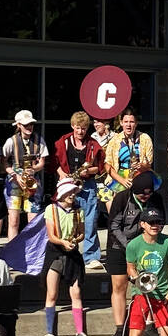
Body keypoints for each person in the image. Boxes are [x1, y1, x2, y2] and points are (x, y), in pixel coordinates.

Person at [103, 171, 159, 336]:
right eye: (142, 194)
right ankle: (120, 328)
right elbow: (114, 225)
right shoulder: (122, 198)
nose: (146, 197)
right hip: (119, 246)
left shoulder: (155, 199)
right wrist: (130, 246)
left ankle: (148, 325)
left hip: (145, 247)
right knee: (119, 286)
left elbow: (158, 222)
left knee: (147, 285)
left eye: (149, 193)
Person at [40, 180, 93, 336]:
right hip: (55, 253)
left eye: (74, 192)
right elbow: (51, 235)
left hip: (72, 255)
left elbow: (81, 233)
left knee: (76, 292)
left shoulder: (78, 211)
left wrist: (74, 240)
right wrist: (63, 242)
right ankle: (49, 332)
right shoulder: (51, 209)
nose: (72, 195)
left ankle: (80, 332)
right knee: (52, 293)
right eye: (69, 192)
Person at [54, 111, 106, 262]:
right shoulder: (63, 142)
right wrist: (62, 174)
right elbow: (55, 163)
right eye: (77, 128)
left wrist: (87, 171)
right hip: (68, 184)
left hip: (88, 185)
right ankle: (68, 252)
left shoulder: (92, 144)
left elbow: (99, 168)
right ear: (72, 126)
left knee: (90, 221)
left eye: (83, 128)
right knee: (68, 219)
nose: (80, 131)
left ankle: (90, 257)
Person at [3, 110, 48, 233]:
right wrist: (14, 174)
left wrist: (33, 169)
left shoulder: (40, 140)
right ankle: (12, 250)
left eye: (31, 124)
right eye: (25, 125)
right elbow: (4, 161)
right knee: (13, 220)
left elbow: (42, 163)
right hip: (14, 180)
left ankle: (31, 250)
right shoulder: (11, 141)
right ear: (18, 125)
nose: (29, 127)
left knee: (33, 221)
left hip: (32, 181)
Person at [102, 109, 154, 209]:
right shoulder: (115, 140)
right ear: (121, 123)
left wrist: (141, 166)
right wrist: (122, 180)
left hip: (140, 175)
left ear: (136, 123)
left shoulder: (145, 138)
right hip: (120, 177)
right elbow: (107, 164)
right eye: (126, 122)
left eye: (132, 122)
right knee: (118, 209)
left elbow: (149, 163)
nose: (128, 125)